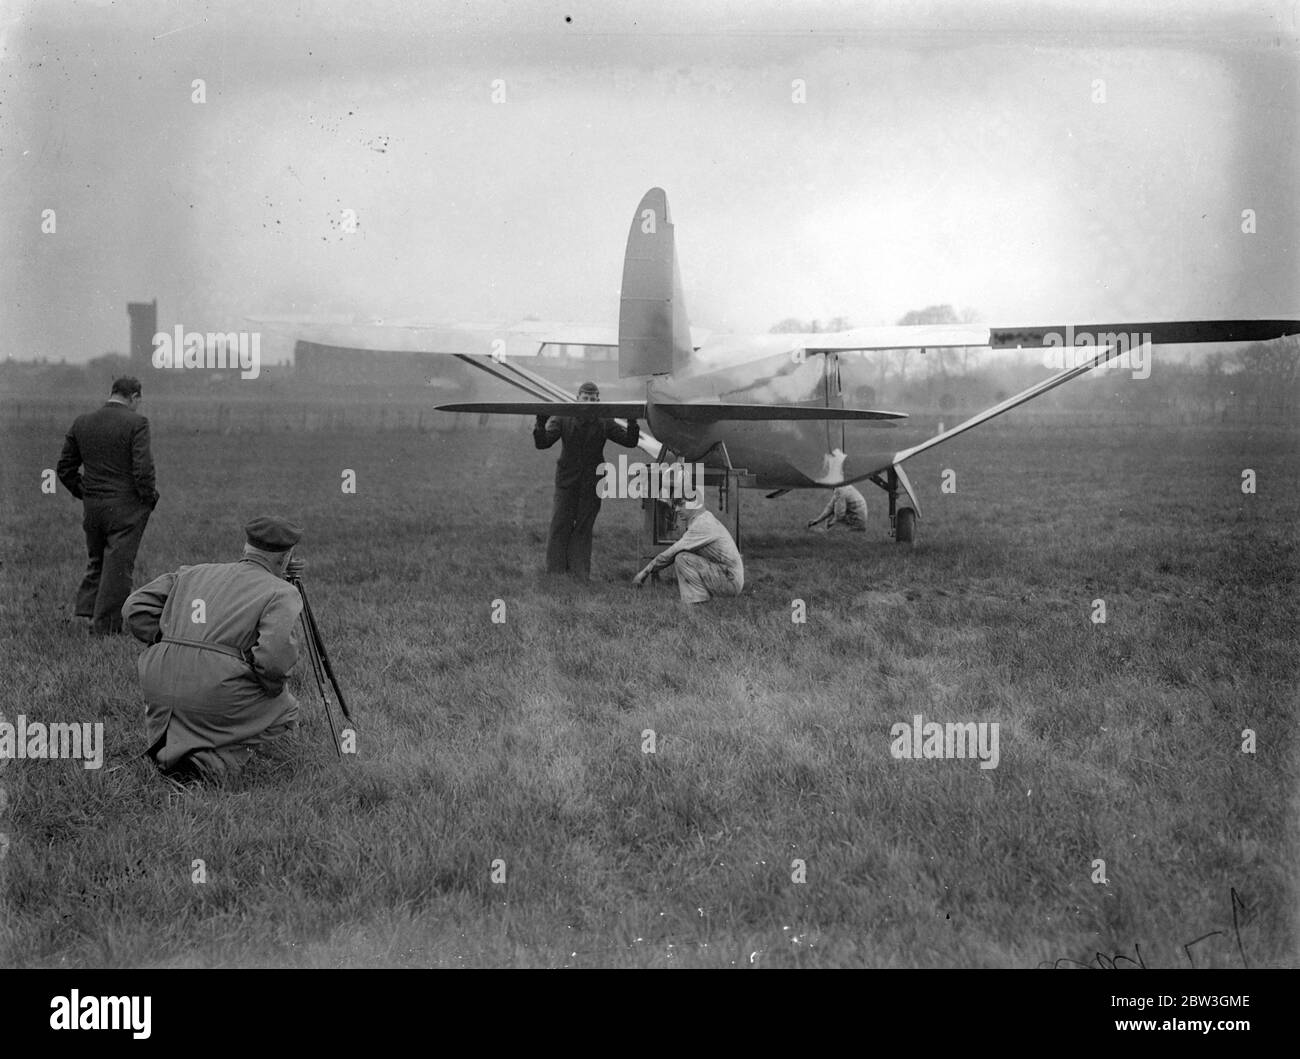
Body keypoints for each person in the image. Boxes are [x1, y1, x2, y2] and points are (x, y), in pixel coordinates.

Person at [122, 516, 306, 785]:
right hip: (214, 689)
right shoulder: (281, 591)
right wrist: (268, 687)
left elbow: (133, 608)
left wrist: (169, 640)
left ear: (247, 548)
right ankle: (211, 764)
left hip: (158, 681)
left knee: (195, 705)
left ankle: (168, 750)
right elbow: (274, 661)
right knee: (285, 709)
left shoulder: (192, 572)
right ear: (286, 557)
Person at [57, 376, 159, 634]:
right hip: (126, 508)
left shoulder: (82, 422)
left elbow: (64, 468)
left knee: (97, 558)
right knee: (118, 566)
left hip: (93, 507)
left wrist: (85, 492)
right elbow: (143, 469)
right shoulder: (138, 423)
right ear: (134, 397)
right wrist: (148, 498)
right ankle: (106, 627)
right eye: (138, 401)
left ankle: (88, 612)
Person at [534, 381, 639, 579]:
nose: (589, 402)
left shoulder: (604, 420)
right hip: (567, 481)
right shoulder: (563, 417)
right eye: (585, 398)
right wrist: (540, 423)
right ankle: (555, 572)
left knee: (584, 525)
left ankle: (579, 573)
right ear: (577, 398)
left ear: (598, 401)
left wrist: (632, 422)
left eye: (593, 399)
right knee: (560, 523)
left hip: (592, 482)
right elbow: (543, 443)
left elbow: (629, 442)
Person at [633, 493, 744, 604]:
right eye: (675, 505)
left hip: (730, 581)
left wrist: (644, 572)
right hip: (727, 575)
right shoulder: (703, 518)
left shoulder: (703, 524)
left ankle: (695, 603)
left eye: (681, 504)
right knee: (683, 556)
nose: (676, 509)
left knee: (682, 558)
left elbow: (671, 553)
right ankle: (699, 602)